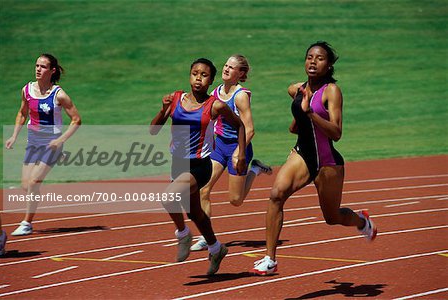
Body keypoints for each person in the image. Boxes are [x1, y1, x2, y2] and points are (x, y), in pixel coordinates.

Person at [251, 41, 377, 275]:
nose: (313, 62)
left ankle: (362, 222)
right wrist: (298, 121)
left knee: (332, 217)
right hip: (302, 155)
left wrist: (309, 113)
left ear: (329, 66)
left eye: (319, 58)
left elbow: (336, 133)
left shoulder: (332, 92)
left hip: (327, 162)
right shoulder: (297, 89)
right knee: (276, 195)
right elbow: (296, 105)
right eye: (310, 57)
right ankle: (270, 259)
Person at [150, 58, 247, 275]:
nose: (198, 79)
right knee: (196, 213)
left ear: (211, 80)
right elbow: (153, 130)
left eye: (204, 75)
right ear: (189, 75)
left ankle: (183, 234)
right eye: (195, 73)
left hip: (199, 166)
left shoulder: (215, 105)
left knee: (168, 197)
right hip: (178, 164)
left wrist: (240, 153)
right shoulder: (175, 99)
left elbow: (239, 125)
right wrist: (163, 109)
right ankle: (216, 248)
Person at [191, 54, 272, 251]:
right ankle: (207, 236)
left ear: (241, 73)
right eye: (225, 65)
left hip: (239, 148)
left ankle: (255, 170)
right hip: (219, 147)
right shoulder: (216, 91)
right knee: (203, 189)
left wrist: (239, 151)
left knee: (235, 200)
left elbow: (250, 129)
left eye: (231, 67)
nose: (226, 69)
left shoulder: (241, 96)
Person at [5, 54, 81, 236]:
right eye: (37, 66)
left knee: (33, 182)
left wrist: (61, 140)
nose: (38, 69)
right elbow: (22, 113)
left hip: (51, 144)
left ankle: (26, 223)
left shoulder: (59, 95)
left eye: (43, 67)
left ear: (52, 70)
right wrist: (14, 135)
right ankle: (35, 196)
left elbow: (76, 120)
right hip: (33, 143)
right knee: (25, 184)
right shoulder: (27, 90)